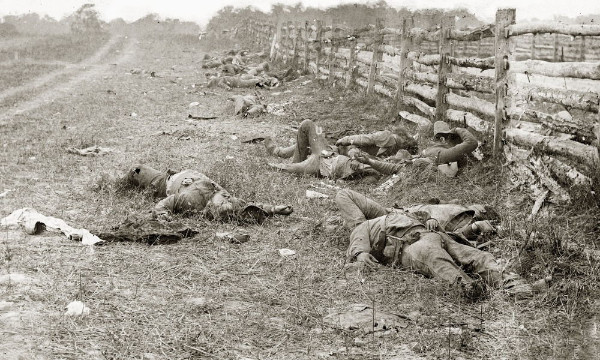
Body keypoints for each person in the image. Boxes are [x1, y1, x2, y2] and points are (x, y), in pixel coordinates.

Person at [334, 189, 531, 299]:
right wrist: (360, 253)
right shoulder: (366, 226)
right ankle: (469, 288)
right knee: (433, 257)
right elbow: (358, 232)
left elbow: (427, 218)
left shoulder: (399, 213)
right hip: (407, 245)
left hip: (432, 233)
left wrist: (431, 221)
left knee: (472, 255)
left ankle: (511, 283)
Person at [126, 164, 293, 221]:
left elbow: (164, 204)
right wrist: (273, 209)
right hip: (186, 175)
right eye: (227, 198)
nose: (227, 196)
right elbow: (247, 206)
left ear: (212, 206)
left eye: (224, 201)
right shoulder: (225, 200)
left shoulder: (192, 200)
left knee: (136, 170)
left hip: (164, 182)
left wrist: (162, 214)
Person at [264, 119, 417, 180]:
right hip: (338, 156)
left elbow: (364, 138)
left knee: (309, 125)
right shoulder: (391, 157)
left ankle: (282, 155)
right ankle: (281, 154)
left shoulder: (389, 137)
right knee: (314, 144)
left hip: (336, 154)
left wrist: (345, 140)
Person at [354, 121, 478, 178]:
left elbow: (394, 168)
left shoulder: (428, 151)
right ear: (443, 140)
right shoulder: (442, 153)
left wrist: (370, 162)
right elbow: (472, 143)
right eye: (453, 139)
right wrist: (456, 130)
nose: (456, 143)